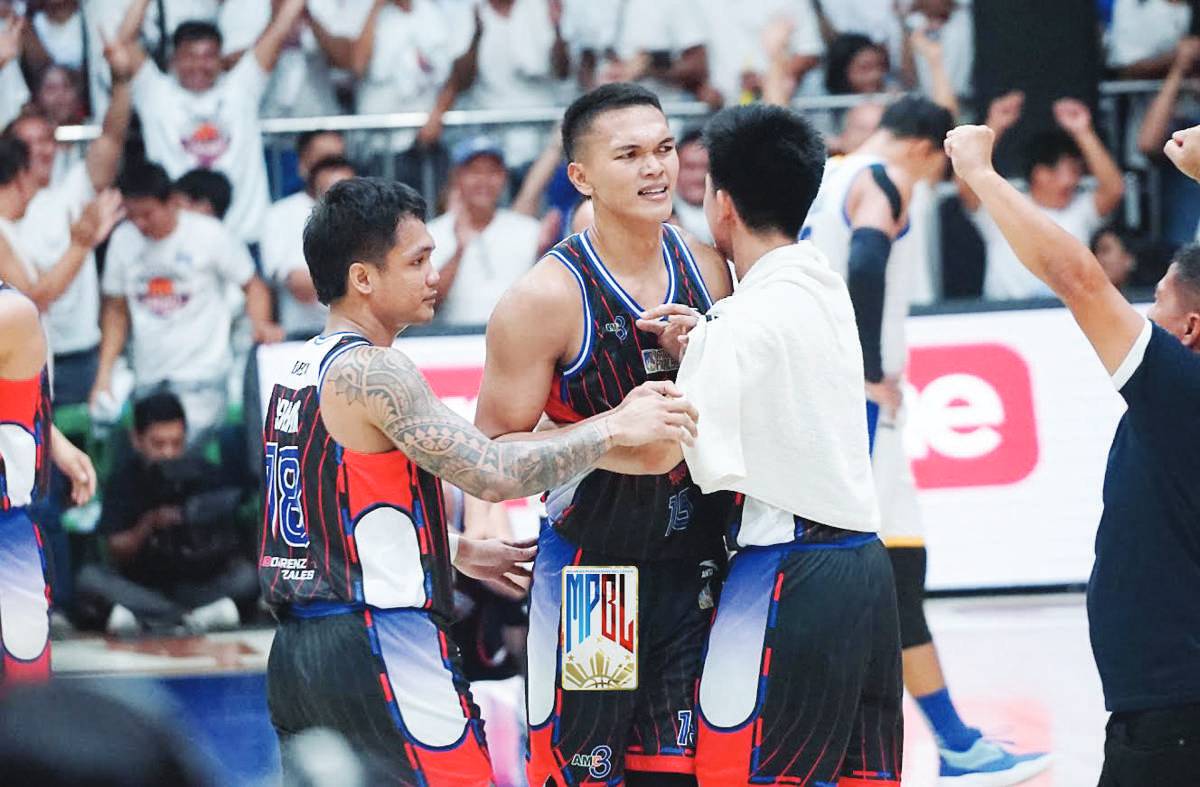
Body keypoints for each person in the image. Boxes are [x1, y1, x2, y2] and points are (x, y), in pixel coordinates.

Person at [262, 175, 701, 785]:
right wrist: (615, 426)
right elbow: (493, 472)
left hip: (298, 655)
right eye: (417, 261)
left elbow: (321, 520)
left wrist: (452, 551)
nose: (433, 273)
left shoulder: (298, 369)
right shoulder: (377, 371)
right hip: (379, 640)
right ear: (363, 278)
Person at [629, 99, 898, 787]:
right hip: (866, 571)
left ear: (720, 204)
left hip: (787, 577)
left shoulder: (735, 327)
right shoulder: (820, 282)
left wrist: (585, 432)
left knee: (738, 772)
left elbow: (675, 454)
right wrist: (708, 339)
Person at [474, 82, 735, 787]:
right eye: (630, 154)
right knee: (584, 777)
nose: (656, 169)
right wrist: (610, 429)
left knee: (680, 776)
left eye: (664, 149)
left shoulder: (710, 268)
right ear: (581, 176)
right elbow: (489, 452)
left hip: (695, 567)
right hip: (597, 579)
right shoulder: (544, 299)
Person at [803, 96, 1053, 786]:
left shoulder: (827, 175)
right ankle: (948, 744)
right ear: (926, 146)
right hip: (857, 411)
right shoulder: (883, 180)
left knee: (890, 574)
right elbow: (865, 259)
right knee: (885, 579)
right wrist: (868, 370)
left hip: (833, 406)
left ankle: (953, 739)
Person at [945, 118, 1200, 787]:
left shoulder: (1183, 390)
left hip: (1174, 715)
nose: (1138, 319)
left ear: (1191, 331)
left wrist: (978, 173)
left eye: (1155, 307)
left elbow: (1078, 278)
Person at [92, 162, 283, 439]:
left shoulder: (209, 234)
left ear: (171, 202)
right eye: (133, 216)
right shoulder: (123, 240)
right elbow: (116, 312)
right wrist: (104, 373)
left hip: (202, 378)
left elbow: (253, 286)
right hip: (149, 377)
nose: (141, 224)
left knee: (173, 447)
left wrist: (261, 325)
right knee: (138, 451)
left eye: (147, 214)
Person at [0, 141, 97, 682]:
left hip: (6, 530)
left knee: (23, 703)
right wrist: (51, 436)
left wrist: (46, 433)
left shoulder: (11, 310)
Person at [102, 0, 307, 247]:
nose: (199, 65)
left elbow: (280, 28)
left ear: (221, 59)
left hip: (243, 237)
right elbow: (123, 43)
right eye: (190, 56)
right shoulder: (155, 93)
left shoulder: (241, 88)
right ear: (173, 59)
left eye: (208, 56)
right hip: (179, 240)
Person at [4, 36, 132, 405]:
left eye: (47, 139)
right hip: (24, 353)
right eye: (28, 144)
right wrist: (81, 243)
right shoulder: (4, 212)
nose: (41, 150)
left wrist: (121, 79)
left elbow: (113, 135)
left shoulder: (74, 187)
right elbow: (33, 297)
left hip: (81, 349)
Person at [76, 390, 257, 634]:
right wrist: (149, 525)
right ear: (137, 439)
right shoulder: (125, 480)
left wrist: (197, 522)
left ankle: (158, 620)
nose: (168, 453)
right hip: (144, 586)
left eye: (176, 443)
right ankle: (185, 618)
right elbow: (115, 548)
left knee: (248, 577)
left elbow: (231, 542)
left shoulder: (204, 473)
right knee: (89, 579)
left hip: (200, 585)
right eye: (158, 444)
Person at [960, 95, 1125, 300]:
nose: (1074, 180)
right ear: (1041, 173)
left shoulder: (1081, 210)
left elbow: (1114, 189)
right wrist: (994, 126)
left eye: (1077, 171)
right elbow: (966, 182)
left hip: (1068, 313)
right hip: (1003, 314)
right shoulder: (1003, 204)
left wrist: (1082, 131)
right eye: (1069, 170)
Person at [429, 136, 541, 326]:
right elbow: (427, 303)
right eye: (474, 172)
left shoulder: (529, 230)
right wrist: (459, 250)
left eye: (492, 172)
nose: (484, 181)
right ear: (457, 177)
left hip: (517, 341)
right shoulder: (430, 233)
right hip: (451, 344)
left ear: (504, 177)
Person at [262, 150, 355, 338]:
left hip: (362, 332)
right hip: (302, 334)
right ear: (314, 186)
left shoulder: (370, 217)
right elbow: (300, 286)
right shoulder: (281, 215)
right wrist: (360, 284)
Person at [671, 128, 712, 244]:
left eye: (706, 167)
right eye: (690, 167)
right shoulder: (659, 219)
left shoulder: (734, 217)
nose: (699, 176)